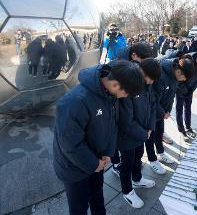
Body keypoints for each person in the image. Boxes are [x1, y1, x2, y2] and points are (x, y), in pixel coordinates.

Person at [53, 60, 145, 215]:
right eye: (127, 93)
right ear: (115, 84)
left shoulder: (109, 95)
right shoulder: (75, 101)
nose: (126, 97)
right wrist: (93, 163)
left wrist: (107, 153)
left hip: (97, 161)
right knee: (79, 207)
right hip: (74, 168)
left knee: (97, 196)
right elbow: (69, 143)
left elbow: (111, 126)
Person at [114, 58, 161, 209]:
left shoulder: (147, 86)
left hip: (142, 132)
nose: (151, 82)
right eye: (150, 79)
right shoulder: (129, 85)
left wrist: (150, 127)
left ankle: (137, 178)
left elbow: (153, 105)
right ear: (142, 72)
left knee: (138, 156)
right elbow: (126, 121)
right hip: (127, 136)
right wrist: (144, 134)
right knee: (126, 163)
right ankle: (127, 191)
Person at [149, 58, 195, 174]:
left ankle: (160, 153)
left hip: (162, 112)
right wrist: (162, 112)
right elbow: (152, 98)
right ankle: (152, 160)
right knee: (150, 136)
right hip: (151, 112)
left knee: (160, 132)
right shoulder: (160, 74)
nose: (184, 80)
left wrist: (168, 110)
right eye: (184, 78)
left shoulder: (175, 77)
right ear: (179, 72)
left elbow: (171, 95)